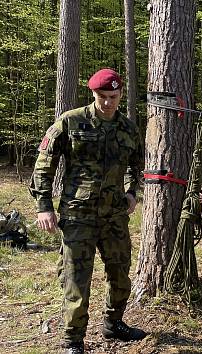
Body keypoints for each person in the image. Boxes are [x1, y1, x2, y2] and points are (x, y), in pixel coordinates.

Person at [29, 68, 145, 354]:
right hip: (77, 214)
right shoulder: (71, 122)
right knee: (76, 280)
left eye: (114, 97)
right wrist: (44, 207)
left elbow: (137, 166)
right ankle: (73, 340)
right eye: (102, 96)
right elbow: (44, 164)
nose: (108, 102)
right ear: (93, 94)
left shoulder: (129, 128)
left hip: (114, 216)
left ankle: (114, 323)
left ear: (120, 95)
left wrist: (132, 192)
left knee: (120, 274)